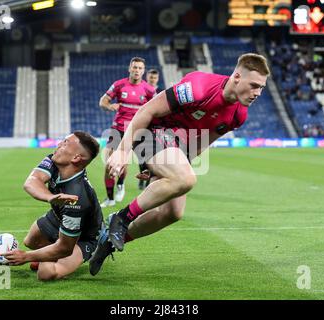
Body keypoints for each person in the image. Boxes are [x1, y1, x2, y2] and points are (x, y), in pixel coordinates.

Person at [89, 53, 270, 276]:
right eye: (253, 85)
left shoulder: (238, 115)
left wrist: (167, 169)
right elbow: (147, 111)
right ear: (236, 76)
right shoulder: (199, 87)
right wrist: (122, 151)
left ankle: (108, 242)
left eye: (261, 88)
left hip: (173, 144)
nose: (257, 93)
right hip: (149, 130)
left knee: (173, 212)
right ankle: (121, 218)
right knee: (186, 179)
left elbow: (201, 142)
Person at [3, 131, 103, 281]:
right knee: (30, 241)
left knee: (46, 273)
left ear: (76, 158)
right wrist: (51, 198)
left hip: (84, 237)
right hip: (59, 217)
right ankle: (50, 250)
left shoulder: (77, 198)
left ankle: (100, 243)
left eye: (65, 143)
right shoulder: (55, 160)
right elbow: (32, 181)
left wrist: (26, 256)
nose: (58, 145)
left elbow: (65, 247)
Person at [99, 57, 156, 208]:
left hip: (137, 130)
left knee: (127, 162)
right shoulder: (119, 85)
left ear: (143, 71)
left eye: (140, 68)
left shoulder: (149, 90)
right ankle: (110, 198)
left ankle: (121, 184)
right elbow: (103, 101)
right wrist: (110, 107)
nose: (137, 70)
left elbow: (156, 109)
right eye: (134, 67)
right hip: (118, 128)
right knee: (109, 163)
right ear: (129, 68)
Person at [138, 69, 164, 190]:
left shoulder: (162, 91)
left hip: (157, 127)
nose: (152, 79)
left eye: (154, 78)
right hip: (143, 125)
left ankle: (151, 178)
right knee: (141, 152)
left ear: (157, 79)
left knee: (155, 153)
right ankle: (144, 174)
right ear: (147, 77)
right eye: (150, 77)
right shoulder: (141, 89)